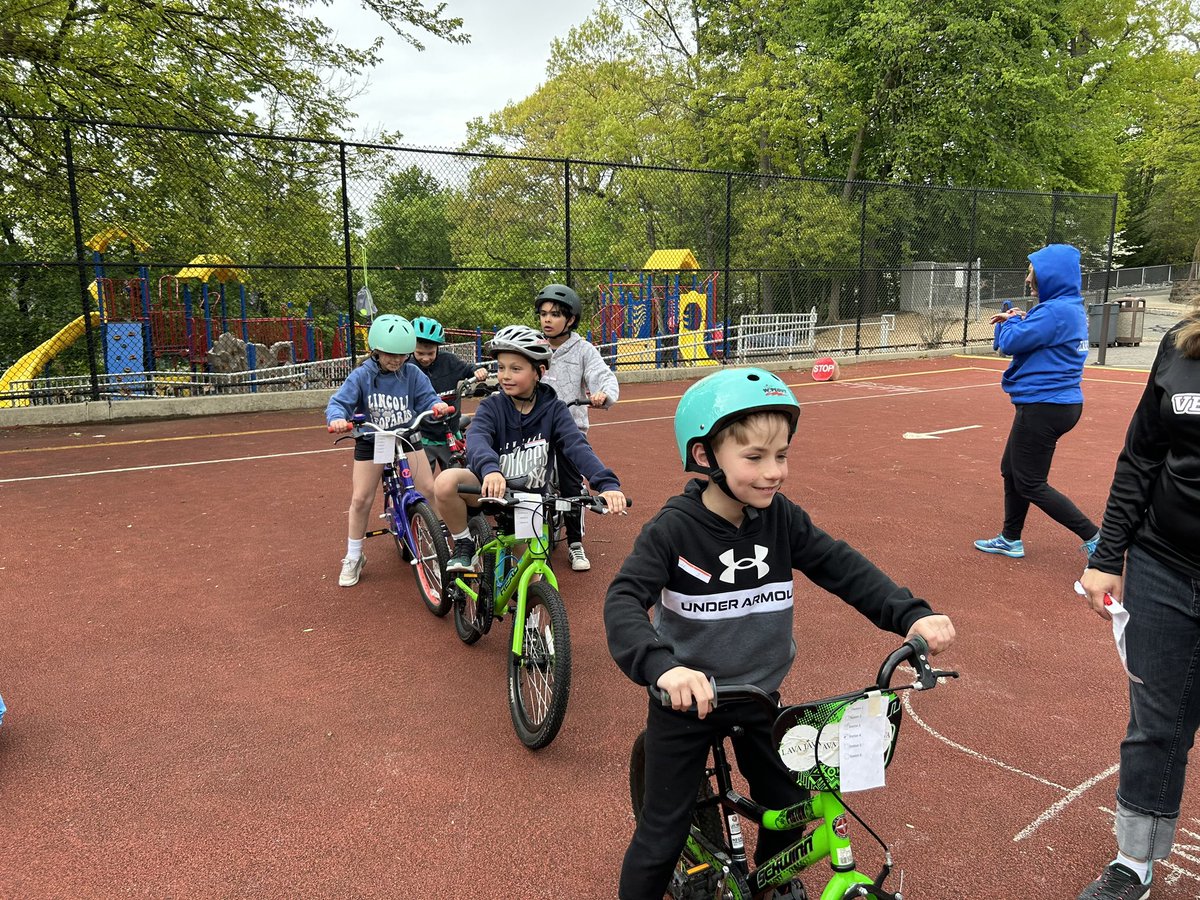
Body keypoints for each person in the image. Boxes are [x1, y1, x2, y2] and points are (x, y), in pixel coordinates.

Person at [604, 367, 956, 899]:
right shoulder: (673, 530)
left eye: (782, 455)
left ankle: (766, 883)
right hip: (686, 703)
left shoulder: (781, 520)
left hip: (759, 697)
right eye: (755, 458)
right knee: (661, 835)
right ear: (705, 458)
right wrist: (664, 667)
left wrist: (909, 614)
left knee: (789, 810)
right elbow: (624, 600)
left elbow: (841, 566)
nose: (775, 472)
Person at [1074, 308, 1200, 900]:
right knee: (1156, 722)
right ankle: (1136, 861)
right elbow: (1142, 457)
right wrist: (1107, 557)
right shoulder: (1181, 346)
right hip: (1163, 564)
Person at [434, 324, 626, 572]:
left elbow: (577, 447)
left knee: (530, 577)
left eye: (515, 369)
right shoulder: (492, 406)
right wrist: (491, 470)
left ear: (539, 372)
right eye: (501, 368)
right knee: (445, 482)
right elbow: (477, 438)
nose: (505, 376)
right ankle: (463, 543)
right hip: (490, 490)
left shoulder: (554, 410)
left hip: (529, 501)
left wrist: (607, 485)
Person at [974, 243, 1101, 559]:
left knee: (1030, 482)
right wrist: (1020, 318)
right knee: (1011, 470)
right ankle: (1010, 538)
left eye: (1033, 275)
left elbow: (1011, 343)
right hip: (1053, 404)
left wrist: (1010, 321)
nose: (1029, 280)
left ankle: (1098, 539)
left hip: (1046, 406)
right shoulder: (1067, 308)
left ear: (1050, 277)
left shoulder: (1055, 312)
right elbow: (1038, 334)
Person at [326, 314, 448, 587]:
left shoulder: (412, 373)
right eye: (390, 354)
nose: (397, 360)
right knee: (361, 499)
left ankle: (440, 545)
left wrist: (436, 404)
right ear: (376, 350)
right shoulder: (362, 376)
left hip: (405, 436)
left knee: (428, 489)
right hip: (373, 440)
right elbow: (339, 403)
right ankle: (354, 555)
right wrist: (336, 417)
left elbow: (428, 396)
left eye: (403, 355)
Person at [536, 283, 619, 572]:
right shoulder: (534, 344)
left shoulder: (583, 350)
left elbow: (602, 376)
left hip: (569, 428)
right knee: (526, 482)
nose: (547, 319)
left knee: (571, 485)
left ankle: (574, 543)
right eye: (543, 313)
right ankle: (532, 537)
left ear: (570, 320)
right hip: (534, 428)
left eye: (555, 314)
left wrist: (602, 394)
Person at [409, 316, 488, 472]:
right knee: (420, 481)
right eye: (420, 353)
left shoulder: (449, 361)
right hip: (423, 433)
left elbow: (468, 369)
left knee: (458, 476)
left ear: (438, 348)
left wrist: (478, 372)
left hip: (449, 430)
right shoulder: (408, 368)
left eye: (430, 353)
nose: (425, 358)